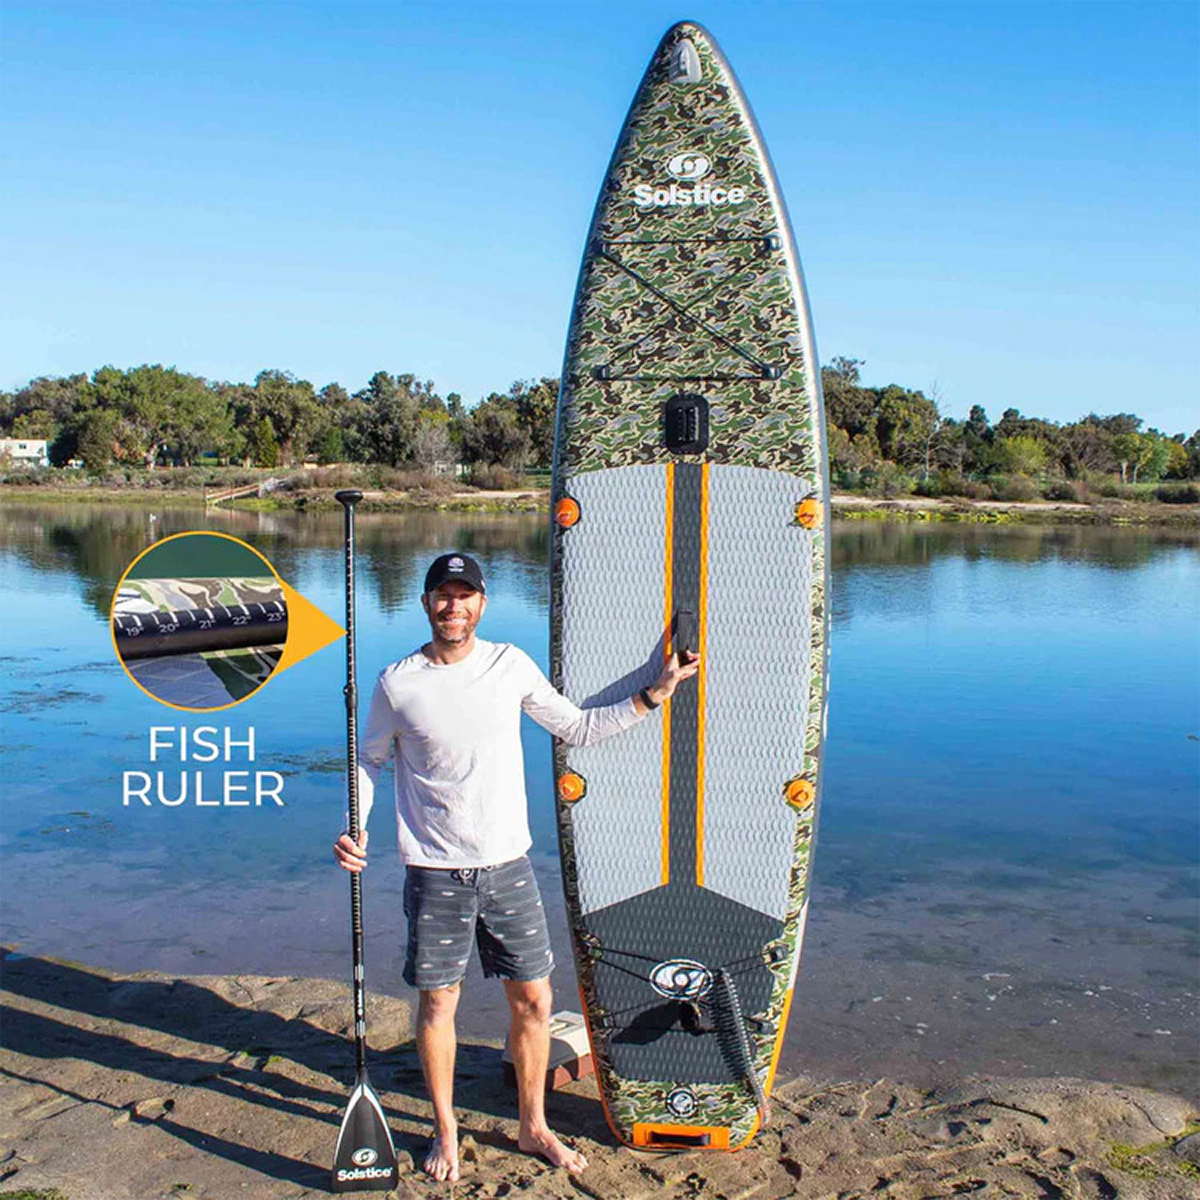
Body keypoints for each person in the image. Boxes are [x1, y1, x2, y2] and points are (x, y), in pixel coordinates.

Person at [333, 551, 698, 1182]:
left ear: (482, 603)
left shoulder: (510, 666)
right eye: (443, 596)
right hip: (435, 871)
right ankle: (446, 1132)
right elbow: (368, 761)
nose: (454, 606)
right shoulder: (398, 682)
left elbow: (578, 728)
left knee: (533, 999)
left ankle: (534, 1127)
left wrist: (654, 693)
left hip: (508, 868)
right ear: (426, 604)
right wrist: (353, 826)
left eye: (465, 595)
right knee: (439, 1004)